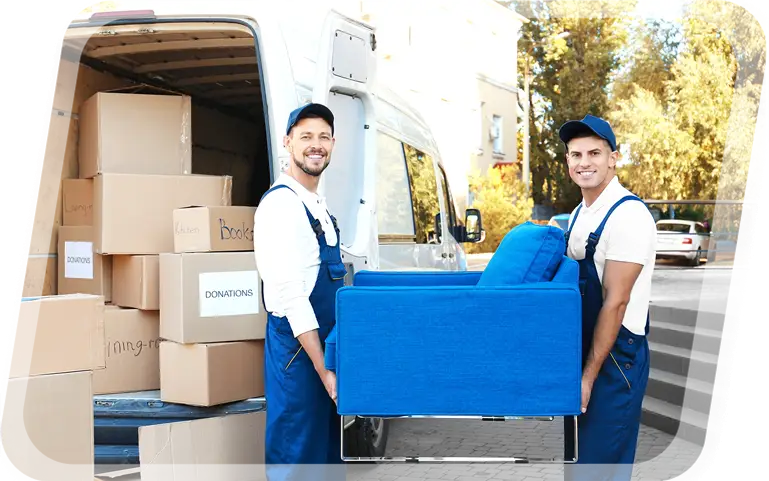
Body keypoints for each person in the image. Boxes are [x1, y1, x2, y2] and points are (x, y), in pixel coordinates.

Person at [558, 114, 657, 481]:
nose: (584, 163)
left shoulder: (628, 216)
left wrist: (588, 377)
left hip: (616, 362)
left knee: (593, 472)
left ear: (613, 158)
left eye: (594, 153)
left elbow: (615, 303)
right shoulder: (578, 214)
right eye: (576, 154)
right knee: (580, 468)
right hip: (587, 353)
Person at [253, 103, 347, 481]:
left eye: (323, 137)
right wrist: (324, 368)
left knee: (326, 459)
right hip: (298, 352)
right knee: (296, 460)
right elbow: (292, 297)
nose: (316, 145)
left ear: (333, 144)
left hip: (324, 350)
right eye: (306, 136)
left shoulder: (319, 205)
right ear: (287, 142)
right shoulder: (281, 205)